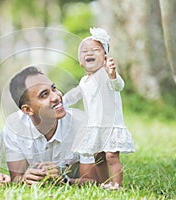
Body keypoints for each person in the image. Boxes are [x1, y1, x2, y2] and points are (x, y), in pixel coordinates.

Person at [4, 66, 102, 185]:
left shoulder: (82, 125)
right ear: (28, 110)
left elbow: (92, 181)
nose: (56, 97)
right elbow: (16, 178)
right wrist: (25, 179)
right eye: (44, 95)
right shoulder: (14, 127)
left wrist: (64, 180)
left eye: (54, 89)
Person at [63, 27, 135, 189]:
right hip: (94, 126)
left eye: (95, 50)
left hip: (110, 125)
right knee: (99, 157)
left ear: (105, 57)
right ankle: (105, 183)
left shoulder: (107, 75)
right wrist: (62, 101)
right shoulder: (84, 81)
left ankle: (117, 184)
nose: (89, 53)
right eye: (84, 51)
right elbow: (75, 94)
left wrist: (113, 74)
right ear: (81, 61)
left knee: (111, 156)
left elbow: (118, 86)